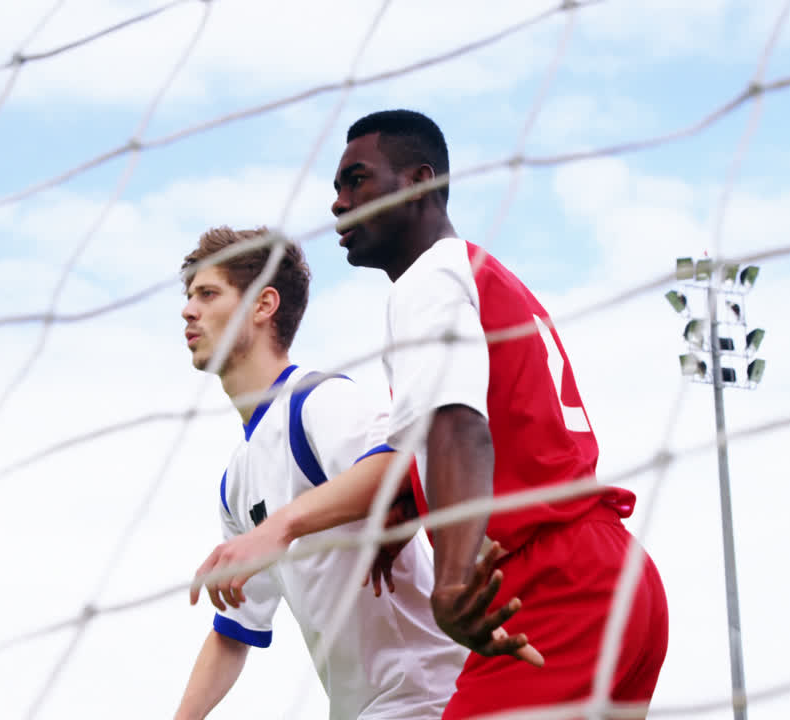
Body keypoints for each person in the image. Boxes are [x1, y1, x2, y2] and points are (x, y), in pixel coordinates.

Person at [191, 111, 670, 719]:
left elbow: (460, 425)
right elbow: (482, 421)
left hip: (554, 584)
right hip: (615, 575)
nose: (339, 204)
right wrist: (409, 502)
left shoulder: (427, 280)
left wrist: (450, 576)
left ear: (419, 182)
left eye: (356, 181)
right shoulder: (480, 274)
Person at [172, 226, 482, 720]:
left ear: (263, 305)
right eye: (188, 296)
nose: (188, 310)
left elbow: (401, 464)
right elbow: (233, 633)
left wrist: (281, 526)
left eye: (207, 293)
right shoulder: (237, 479)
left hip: (428, 695)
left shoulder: (318, 400)